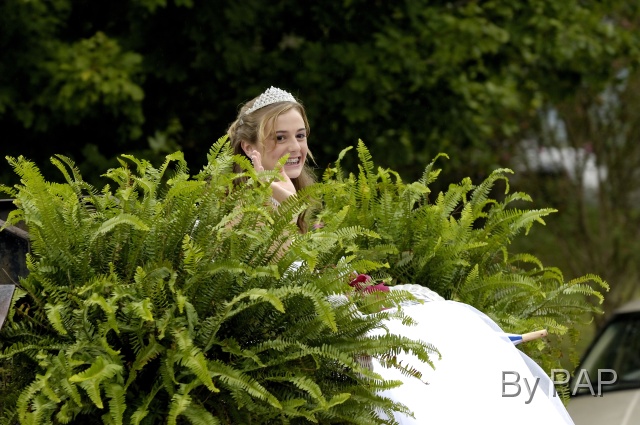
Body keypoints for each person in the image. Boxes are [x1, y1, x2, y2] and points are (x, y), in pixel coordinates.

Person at [226, 86, 575, 424]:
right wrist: (289, 204)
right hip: (309, 338)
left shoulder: (290, 197)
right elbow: (291, 283)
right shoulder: (244, 212)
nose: (295, 147)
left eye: (300, 136)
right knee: (435, 342)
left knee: (452, 325)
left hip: (334, 320)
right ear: (249, 147)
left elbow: (318, 273)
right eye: (280, 138)